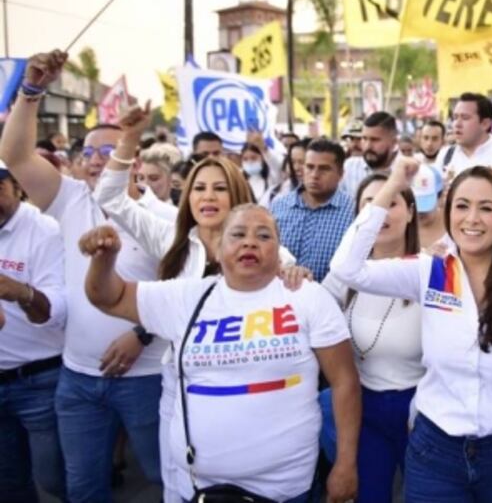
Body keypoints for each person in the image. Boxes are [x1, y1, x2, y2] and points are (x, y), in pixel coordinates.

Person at [331, 159, 492, 502]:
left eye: (487, 208)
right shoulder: (430, 270)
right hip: (436, 452)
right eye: (462, 206)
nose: (472, 219)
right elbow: (346, 267)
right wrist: (392, 184)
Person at [94, 101, 304, 502]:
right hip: (181, 385)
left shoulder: (262, 247)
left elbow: (294, 285)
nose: (208, 197)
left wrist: (297, 272)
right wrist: (130, 138)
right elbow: (111, 197)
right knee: (179, 484)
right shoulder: (171, 237)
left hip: (248, 386)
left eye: (220, 188)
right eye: (200, 188)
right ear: (188, 195)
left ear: (237, 194)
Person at [79, 205, 361, 502]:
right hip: (200, 489)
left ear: (280, 251)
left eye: (263, 236)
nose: (249, 242)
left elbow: (344, 383)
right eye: (237, 234)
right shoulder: (185, 297)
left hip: (285, 489)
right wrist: (104, 260)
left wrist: (345, 464)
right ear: (217, 248)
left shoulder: (307, 297)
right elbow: (107, 296)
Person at [0, 50, 166, 500]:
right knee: (78, 488)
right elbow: (14, 154)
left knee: (161, 477)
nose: (95, 160)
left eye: (108, 151)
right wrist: (32, 90)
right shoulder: (70, 198)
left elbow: (179, 293)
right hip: (77, 379)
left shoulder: (162, 216)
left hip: (146, 377)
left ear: (132, 157)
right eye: (88, 151)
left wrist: (141, 335)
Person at [320, 173, 424, 503]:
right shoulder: (342, 278)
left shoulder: (431, 269)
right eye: (371, 204)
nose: (382, 214)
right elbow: (311, 315)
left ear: (410, 212)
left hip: (422, 411)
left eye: (392, 203)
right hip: (362, 410)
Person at [0, 163, 68, 502]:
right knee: (9, 485)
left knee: (55, 479)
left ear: (16, 186)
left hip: (39, 380)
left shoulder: (45, 230)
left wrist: (21, 293)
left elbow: (56, 310)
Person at [272, 139, 354, 281]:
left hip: (332, 299)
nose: (315, 175)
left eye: (324, 169)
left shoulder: (353, 212)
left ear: (340, 174)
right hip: (280, 298)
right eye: (310, 167)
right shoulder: (279, 206)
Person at [438, 93, 492, 180]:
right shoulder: (445, 155)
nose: (457, 124)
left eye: (465, 118)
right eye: (455, 118)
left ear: (485, 124)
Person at [341, 111, 399, 199]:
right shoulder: (349, 168)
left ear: (393, 142)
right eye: (364, 138)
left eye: (375, 140)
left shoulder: (409, 172)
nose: (368, 146)